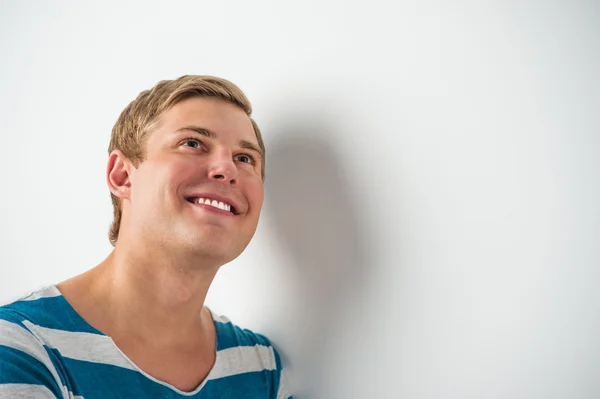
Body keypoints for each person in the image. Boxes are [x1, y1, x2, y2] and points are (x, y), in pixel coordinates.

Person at [0, 75, 292, 398]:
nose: (227, 168)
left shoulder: (260, 367)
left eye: (245, 158)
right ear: (122, 176)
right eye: (193, 143)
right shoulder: (20, 347)